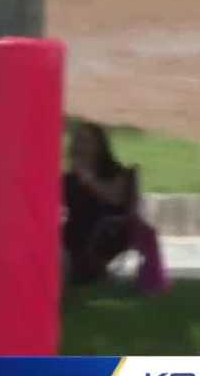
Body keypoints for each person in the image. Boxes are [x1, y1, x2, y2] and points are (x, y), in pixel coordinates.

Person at [62, 121, 168, 293]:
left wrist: (89, 179)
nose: (80, 146)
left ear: (99, 146)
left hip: (111, 230)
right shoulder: (68, 179)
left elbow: (117, 199)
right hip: (75, 233)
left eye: (86, 141)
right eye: (78, 141)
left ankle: (85, 272)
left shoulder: (115, 172)